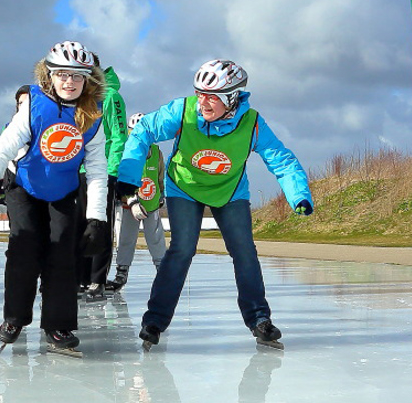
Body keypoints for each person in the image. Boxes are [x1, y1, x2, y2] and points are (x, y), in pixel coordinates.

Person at [116, 59, 313, 350]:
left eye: (212, 97)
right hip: (184, 187)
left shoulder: (252, 123)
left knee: (244, 250)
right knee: (182, 249)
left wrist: (298, 194)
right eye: (200, 94)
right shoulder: (182, 111)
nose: (203, 102)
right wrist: (128, 178)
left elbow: (280, 159)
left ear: (232, 98)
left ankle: (260, 320)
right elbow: (144, 129)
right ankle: (154, 321)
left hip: (230, 192)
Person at [0, 41, 108, 355]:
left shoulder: (92, 116)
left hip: (64, 191)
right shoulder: (35, 105)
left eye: (77, 76)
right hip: (24, 186)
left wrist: (97, 218)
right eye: (62, 75)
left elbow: (96, 168)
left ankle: (57, 325)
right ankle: (14, 317)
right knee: (25, 247)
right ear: (50, 76)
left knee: (63, 253)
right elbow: (0, 152)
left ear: (88, 79)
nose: (69, 82)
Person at [82, 62, 128, 301]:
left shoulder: (111, 96)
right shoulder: (78, 95)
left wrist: (112, 171)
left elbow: (120, 135)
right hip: (77, 171)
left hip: (102, 172)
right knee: (79, 225)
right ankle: (81, 277)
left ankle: (96, 279)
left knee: (100, 224)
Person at [105, 113, 167, 291]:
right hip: (129, 204)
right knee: (126, 239)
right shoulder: (126, 151)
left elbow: (159, 175)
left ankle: (162, 272)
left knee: (155, 239)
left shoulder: (156, 152)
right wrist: (127, 198)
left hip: (151, 202)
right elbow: (119, 177)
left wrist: (162, 193)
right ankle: (121, 273)